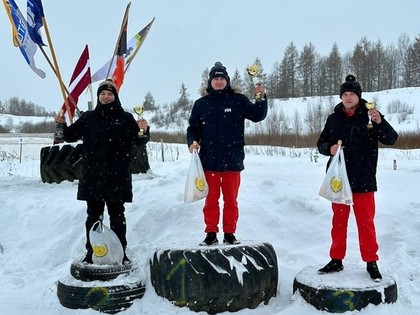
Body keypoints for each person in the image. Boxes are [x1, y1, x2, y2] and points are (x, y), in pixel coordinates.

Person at [54, 79, 150, 264]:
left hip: (117, 176)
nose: (106, 97)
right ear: (99, 96)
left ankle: (121, 252)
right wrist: (61, 125)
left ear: (115, 97)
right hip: (93, 176)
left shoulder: (126, 118)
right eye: (102, 94)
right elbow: (69, 136)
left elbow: (139, 141)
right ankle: (92, 253)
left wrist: (144, 131)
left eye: (110, 94)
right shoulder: (89, 118)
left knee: (117, 216)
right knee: (93, 217)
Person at [316, 74, 398, 281]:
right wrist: (330, 148)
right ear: (341, 97)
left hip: (364, 179)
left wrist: (380, 121)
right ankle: (336, 259)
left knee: (366, 223)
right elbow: (321, 144)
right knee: (338, 222)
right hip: (339, 180)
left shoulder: (370, 115)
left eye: (352, 94)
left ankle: (371, 262)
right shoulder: (333, 119)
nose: (348, 97)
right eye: (345, 94)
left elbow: (391, 139)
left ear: (359, 97)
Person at [187, 61, 268, 246]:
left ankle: (230, 233)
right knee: (211, 200)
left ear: (227, 81)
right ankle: (211, 233)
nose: (218, 81)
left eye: (222, 78)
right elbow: (192, 128)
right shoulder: (201, 104)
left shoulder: (238, 100)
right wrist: (192, 141)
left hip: (233, 161)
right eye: (215, 78)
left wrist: (261, 97)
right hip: (209, 162)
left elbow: (257, 115)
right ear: (210, 82)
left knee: (231, 200)